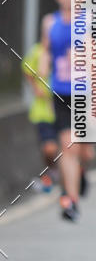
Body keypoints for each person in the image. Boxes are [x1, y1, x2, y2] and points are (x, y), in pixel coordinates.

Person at [39, 0, 95, 221]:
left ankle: (81, 170)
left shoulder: (91, 20)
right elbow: (45, 48)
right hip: (61, 91)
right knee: (67, 147)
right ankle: (71, 201)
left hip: (86, 92)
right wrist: (42, 67)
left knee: (85, 153)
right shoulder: (49, 22)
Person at [21, 42, 59, 192]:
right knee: (49, 149)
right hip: (43, 111)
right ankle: (53, 171)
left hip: (65, 109)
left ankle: (71, 177)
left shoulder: (71, 48)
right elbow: (26, 68)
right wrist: (35, 88)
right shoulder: (37, 51)